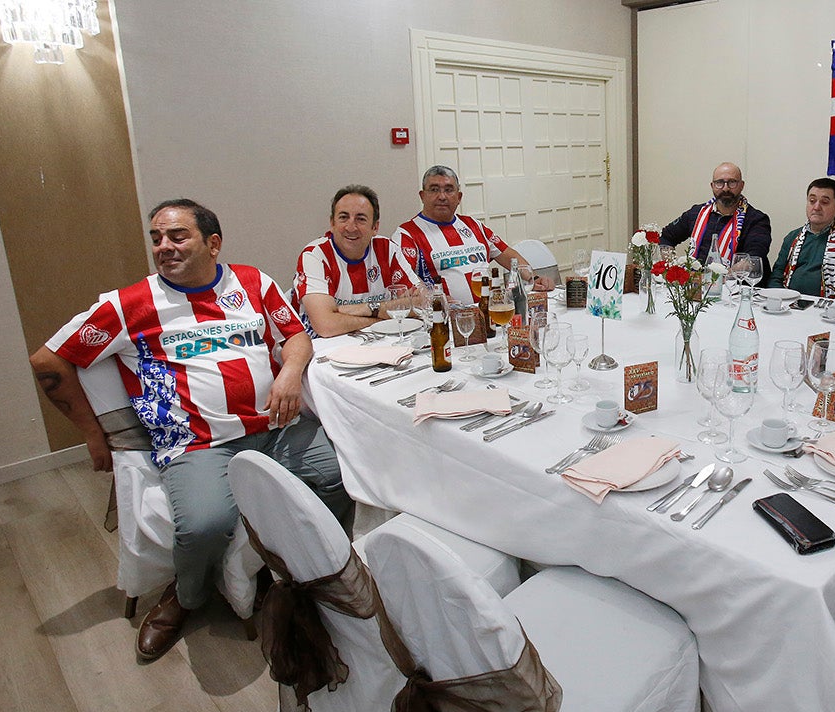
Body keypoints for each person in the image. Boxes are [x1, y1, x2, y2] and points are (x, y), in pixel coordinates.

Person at [29, 199, 354, 663]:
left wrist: (288, 373)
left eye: (177, 236)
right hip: (197, 443)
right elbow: (49, 360)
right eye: (157, 238)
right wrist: (92, 433)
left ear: (213, 243)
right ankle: (186, 597)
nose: (164, 247)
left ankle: (301, 572)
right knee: (205, 525)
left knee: (342, 475)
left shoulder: (252, 282)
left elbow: (296, 336)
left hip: (273, 427)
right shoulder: (130, 305)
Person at [393, 165, 553, 305]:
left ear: (459, 197)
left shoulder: (474, 225)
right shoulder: (407, 234)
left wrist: (533, 278)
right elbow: (405, 278)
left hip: (491, 311)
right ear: (422, 196)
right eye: (434, 190)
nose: (442, 196)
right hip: (444, 318)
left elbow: (507, 254)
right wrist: (431, 298)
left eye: (448, 190)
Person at [291, 185, 419, 337]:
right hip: (325, 346)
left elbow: (422, 302)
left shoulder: (387, 249)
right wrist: (384, 319)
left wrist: (370, 308)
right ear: (332, 223)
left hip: (379, 342)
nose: (351, 227)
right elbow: (326, 326)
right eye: (343, 217)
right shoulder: (315, 255)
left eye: (360, 219)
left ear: (375, 227)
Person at [659, 161, 772, 276]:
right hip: (696, 287)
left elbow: (752, 259)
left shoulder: (757, 220)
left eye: (732, 182)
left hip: (736, 287)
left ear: (742, 185)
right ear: (712, 186)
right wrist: (673, 267)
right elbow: (666, 237)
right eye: (719, 183)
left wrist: (717, 280)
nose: (725, 188)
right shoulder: (696, 213)